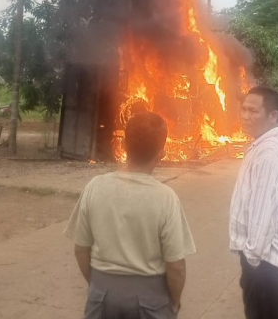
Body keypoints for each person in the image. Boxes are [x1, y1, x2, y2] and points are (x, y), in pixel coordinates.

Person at [65, 112, 195, 318]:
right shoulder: (166, 198)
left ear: (123, 145)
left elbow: (81, 249)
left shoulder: (95, 187)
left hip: (101, 295)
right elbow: (176, 266)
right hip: (150, 300)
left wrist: (99, 287)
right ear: (161, 153)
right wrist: (175, 303)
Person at [230, 86, 278, 319]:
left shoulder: (268, 155)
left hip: (268, 264)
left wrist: (251, 264)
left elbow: (263, 217)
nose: (245, 116)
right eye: (243, 109)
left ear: (273, 116)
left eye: (253, 111)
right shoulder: (275, 142)